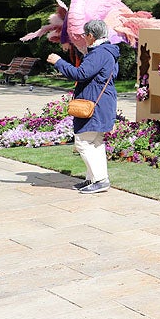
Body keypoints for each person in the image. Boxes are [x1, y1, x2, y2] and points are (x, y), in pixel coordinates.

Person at [47, 19, 119, 194]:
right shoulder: (107, 51)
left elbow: (80, 73)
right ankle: (93, 179)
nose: (83, 38)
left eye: (84, 35)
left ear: (91, 36)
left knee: (83, 142)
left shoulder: (99, 53)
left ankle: (100, 180)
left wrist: (58, 62)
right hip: (101, 103)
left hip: (94, 105)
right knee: (95, 142)